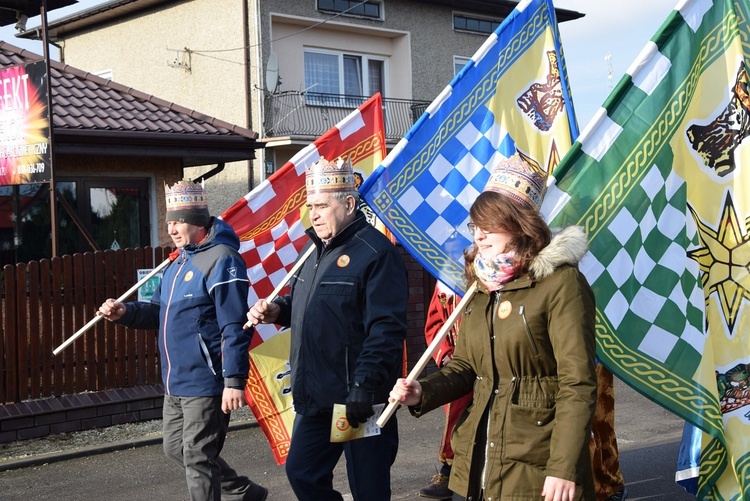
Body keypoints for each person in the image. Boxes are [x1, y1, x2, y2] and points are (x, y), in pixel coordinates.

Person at [389, 153, 598, 501]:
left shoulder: (562, 284)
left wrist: (563, 467)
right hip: (481, 457)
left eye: (491, 225)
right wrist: (422, 392)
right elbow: (466, 366)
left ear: (519, 225)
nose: (480, 236)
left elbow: (577, 383)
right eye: (475, 226)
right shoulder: (481, 285)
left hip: (538, 462)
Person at [246, 157, 408, 501]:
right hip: (317, 396)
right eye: (310, 206)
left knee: (368, 488)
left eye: (322, 205)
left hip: (354, 399)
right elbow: (314, 305)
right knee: (303, 473)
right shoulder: (313, 249)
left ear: (349, 203)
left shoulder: (376, 254)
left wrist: (364, 386)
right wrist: (279, 310)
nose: (314, 214)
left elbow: (386, 331)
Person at [97, 180, 268, 501]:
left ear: (198, 221)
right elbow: (159, 314)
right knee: (177, 448)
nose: (172, 229)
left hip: (207, 381)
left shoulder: (222, 259)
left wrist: (234, 380)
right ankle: (245, 493)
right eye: (169, 222)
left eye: (178, 221)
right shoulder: (177, 261)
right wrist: (125, 312)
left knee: (197, 456)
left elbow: (235, 325)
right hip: (175, 382)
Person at [418, 281, 472, 500]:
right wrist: (445, 354)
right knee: (456, 421)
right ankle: (449, 473)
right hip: (458, 369)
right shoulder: (446, 282)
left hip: (490, 367)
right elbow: (434, 325)